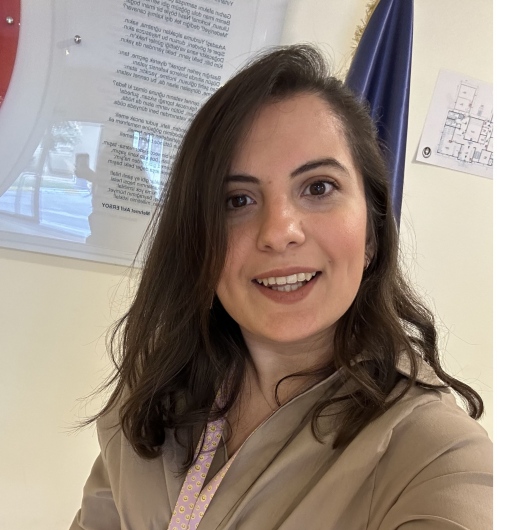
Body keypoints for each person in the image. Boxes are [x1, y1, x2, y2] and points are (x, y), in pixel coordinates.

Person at [70, 45, 492, 530]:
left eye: (318, 187)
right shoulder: (152, 390)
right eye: (237, 200)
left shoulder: (435, 454)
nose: (278, 231)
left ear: (372, 233)